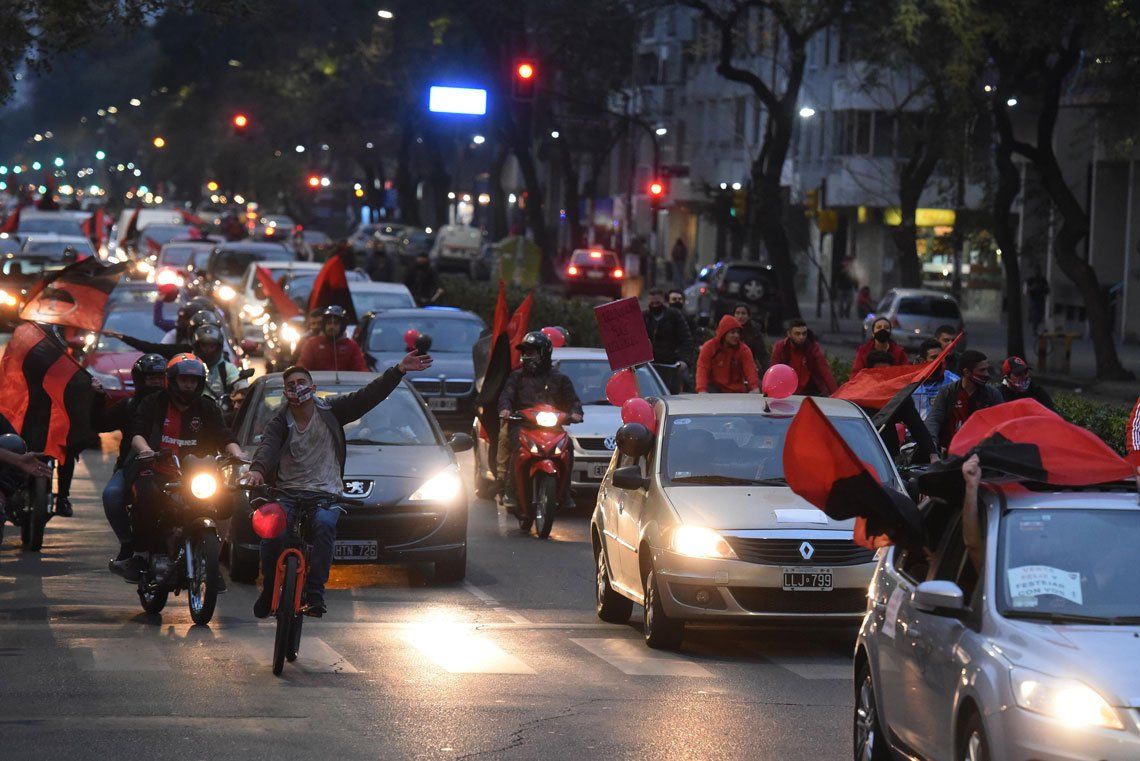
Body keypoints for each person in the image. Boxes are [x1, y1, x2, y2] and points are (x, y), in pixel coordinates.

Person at [244, 352, 432, 618]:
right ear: (286, 393)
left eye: (301, 381)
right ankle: (270, 590)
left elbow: (369, 396)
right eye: (291, 385)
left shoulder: (332, 411)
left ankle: (315, 593)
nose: (297, 387)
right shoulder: (279, 422)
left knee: (324, 525)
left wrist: (399, 370)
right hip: (286, 493)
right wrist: (257, 471)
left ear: (313, 387)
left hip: (326, 493)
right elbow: (267, 448)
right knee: (272, 533)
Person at [127, 354, 245, 577]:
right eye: (184, 379)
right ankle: (140, 555)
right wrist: (146, 451)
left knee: (226, 501)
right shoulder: (154, 403)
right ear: (172, 380)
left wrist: (237, 453)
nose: (189, 384)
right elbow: (137, 433)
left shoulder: (207, 408)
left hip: (198, 475)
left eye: (193, 380)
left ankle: (211, 562)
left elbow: (224, 435)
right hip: (159, 470)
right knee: (145, 496)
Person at [497, 331, 583, 509]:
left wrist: (575, 413)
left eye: (532, 352)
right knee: (516, 448)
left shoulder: (560, 379)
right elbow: (506, 396)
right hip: (522, 425)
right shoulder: (516, 377)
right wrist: (505, 409)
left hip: (553, 429)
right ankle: (510, 491)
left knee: (569, 447)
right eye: (525, 352)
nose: (528, 356)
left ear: (544, 353)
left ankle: (565, 492)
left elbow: (573, 401)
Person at [101, 354, 168, 579]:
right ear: (140, 380)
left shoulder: (178, 406)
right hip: (133, 467)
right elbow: (99, 424)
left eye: (161, 378)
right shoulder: (128, 406)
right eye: (151, 378)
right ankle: (129, 546)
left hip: (174, 467)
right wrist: (98, 397)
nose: (157, 383)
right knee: (111, 495)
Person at [862, 351, 936, 463]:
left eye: (886, 373)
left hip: (886, 454)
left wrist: (932, 454)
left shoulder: (899, 397)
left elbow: (917, 426)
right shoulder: (858, 392)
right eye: (878, 373)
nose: (882, 378)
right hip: (860, 448)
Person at [924, 349, 1004, 452]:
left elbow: (1002, 424)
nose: (987, 374)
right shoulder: (948, 392)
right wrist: (932, 443)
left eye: (987, 370)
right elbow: (934, 419)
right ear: (966, 372)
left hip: (982, 454)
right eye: (982, 370)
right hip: (951, 453)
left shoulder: (992, 394)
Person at [768, 319, 838, 396]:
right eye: (797, 334)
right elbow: (773, 371)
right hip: (786, 390)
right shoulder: (781, 347)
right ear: (789, 334)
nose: (801, 337)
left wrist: (836, 395)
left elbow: (825, 371)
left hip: (810, 391)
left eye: (804, 333)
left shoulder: (812, 348)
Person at [644, 288, 693, 392]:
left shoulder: (674, 315)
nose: (655, 305)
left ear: (664, 301)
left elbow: (686, 339)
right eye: (652, 303)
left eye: (658, 302)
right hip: (648, 366)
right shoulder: (643, 317)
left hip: (671, 365)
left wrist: (683, 360)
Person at [696, 315, 761, 394]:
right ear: (723, 333)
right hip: (714, 390)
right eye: (732, 332)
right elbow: (702, 368)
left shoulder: (743, 349)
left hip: (736, 392)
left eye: (738, 332)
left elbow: (750, 368)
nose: (736, 335)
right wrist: (702, 389)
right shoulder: (709, 347)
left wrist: (754, 387)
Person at [192, 323, 248, 408]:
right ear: (197, 346)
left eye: (212, 346)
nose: (208, 350)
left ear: (219, 347)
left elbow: (241, 386)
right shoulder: (190, 366)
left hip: (220, 414)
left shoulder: (227, 368)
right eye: (204, 345)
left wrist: (242, 390)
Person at [297, 305, 368, 372]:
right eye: (328, 323)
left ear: (342, 326)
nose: (331, 326)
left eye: (336, 323)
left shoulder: (351, 346)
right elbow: (302, 367)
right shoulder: (312, 344)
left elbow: (361, 370)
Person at [912, 338, 960, 420]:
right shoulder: (911, 384)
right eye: (934, 357)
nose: (940, 361)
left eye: (942, 356)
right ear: (922, 361)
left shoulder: (954, 382)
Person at [732, 304, 769, 373]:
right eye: (737, 313)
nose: (740, 316)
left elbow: (762, 356)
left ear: (748, 316)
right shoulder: (726, 330)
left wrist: (768, 373)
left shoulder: (755, 332)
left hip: (748, 366)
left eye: (743, 313)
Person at [1025, 268, 1050, 336]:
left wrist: (1042, 289)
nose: (1037, 272)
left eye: (1038, 270)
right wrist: (1033, 289)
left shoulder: (1043, 280)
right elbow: (1026, 290)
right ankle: (1034, 329)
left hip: (1040, 300)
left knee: (1039, 315)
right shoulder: (1031, 280)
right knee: (1035, 315)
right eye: (1036, 270)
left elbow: (1047, 290)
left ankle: (1035, 328)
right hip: (1034, 300)